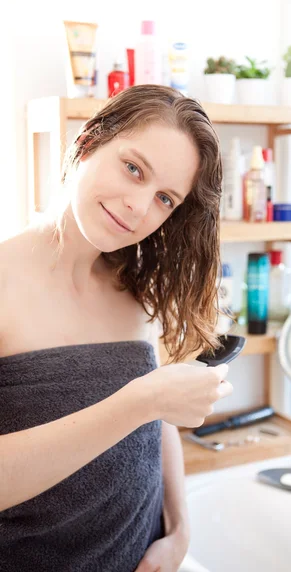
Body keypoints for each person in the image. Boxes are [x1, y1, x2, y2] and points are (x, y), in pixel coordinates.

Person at [0, 85, 233, 572]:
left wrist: (179, 529)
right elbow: (146, 402)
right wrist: (138, 403)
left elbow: (158, 416)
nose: (137, 207)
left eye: (164, 198)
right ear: (88, 142)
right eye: (133, 168)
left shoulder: (133, 286)